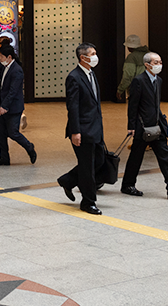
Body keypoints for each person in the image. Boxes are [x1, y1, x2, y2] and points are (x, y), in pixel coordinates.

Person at [120, 52, 168, 200]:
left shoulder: (158, 80)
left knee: (165, 156)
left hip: (157, 125)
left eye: (160, 62)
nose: (159, 65)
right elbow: (133, 105)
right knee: (136, 156)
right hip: (142, 126)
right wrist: (131, 126)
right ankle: (127, 185)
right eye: (156, 62)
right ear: (147, 65)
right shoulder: (138, 81)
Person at [57, 43, 105, 215]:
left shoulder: (91, 74)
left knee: (99, 160)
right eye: (92, 54)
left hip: (95, 128)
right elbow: (73, 107)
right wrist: (75, 132)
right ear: (83, 58)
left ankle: (68, 180)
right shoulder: (74, 77)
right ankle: (88, 202)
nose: (95, 56)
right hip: (83, 130)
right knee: (87, 168)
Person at [0, 45, 35, 165]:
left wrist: (5, 106)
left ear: (9, 57)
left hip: (13, 108)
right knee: (0, 133)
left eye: (1, 56)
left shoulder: (17, 70)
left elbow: (13, 91)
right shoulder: (6, 67)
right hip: (2, 106)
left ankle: (29, 147)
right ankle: (4, 158)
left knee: (13, 132)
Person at [117, 34, 148, 102]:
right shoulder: (149, 54)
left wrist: (120, 90)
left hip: (137, 88)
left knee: (135, 110)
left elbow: (128, 76)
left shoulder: (131, 57)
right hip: (150, 87)